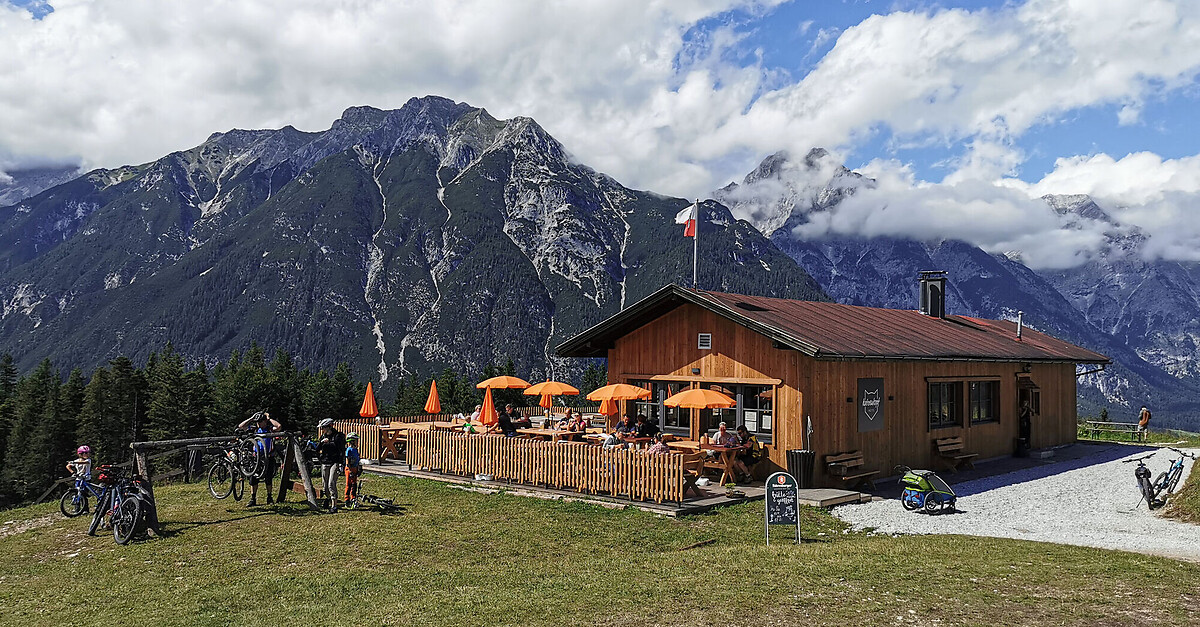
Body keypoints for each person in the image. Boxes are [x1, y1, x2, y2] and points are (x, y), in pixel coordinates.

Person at [238, 411, 282, 506]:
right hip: (256, 458)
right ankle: (253, 498)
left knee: (268, 478)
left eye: (260, 421)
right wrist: (251, 418)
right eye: (257, 422)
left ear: (265, 422)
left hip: (268, 457)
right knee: (253, 478)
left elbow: (278, 427)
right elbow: (241, 426)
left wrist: (269, 418)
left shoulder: (269, 429)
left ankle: (269, 497)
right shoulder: (254, 430)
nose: (258, 423)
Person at [316, 418, 346, 512]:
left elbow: (341, 450)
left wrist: (341, 463)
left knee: (331, 484)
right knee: (324, 486)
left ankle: (334, 505)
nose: (322, 430)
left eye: (323, 428)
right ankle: (328, 499)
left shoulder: (338, 436)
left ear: (329, 426)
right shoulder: (323, 436)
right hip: (325, 462)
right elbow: (317, 448)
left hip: (335, 462)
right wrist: (322, 443)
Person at [344, 432, 363, 506]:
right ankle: (347, 499)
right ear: (352, 441)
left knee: (354, 484)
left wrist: (359, 468)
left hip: (355, 468)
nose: (357, 442)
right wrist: (350, 470)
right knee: (349, 484)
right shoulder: (349, 450)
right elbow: (347, 460)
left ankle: (353, 498)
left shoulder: (356, 449)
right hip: (349, 469)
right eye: (355, 440)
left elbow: (358, 459)